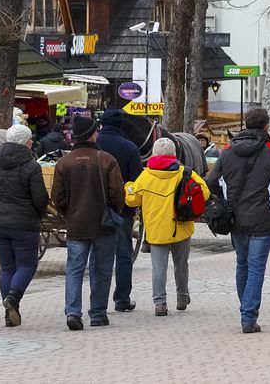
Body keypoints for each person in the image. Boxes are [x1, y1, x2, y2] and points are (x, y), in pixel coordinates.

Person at [205, 107, 270, 334]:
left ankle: (245, 310)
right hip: (263, 218)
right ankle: (248, 316)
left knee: (242, 264)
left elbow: (211, 181)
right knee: (256, 267)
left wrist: (223, 202)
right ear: (267, 126)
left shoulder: (227, 153)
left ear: (246, 125)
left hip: (236, 219)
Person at [51, 115, 126, 331]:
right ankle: (98, 313)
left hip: (76, 223)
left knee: (74, 269)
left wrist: (70, 212)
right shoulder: (106, 159)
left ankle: (73, 311)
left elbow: (58, 196)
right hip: (103, 224)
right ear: (93, 134)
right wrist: (112, 210)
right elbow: (117, 193)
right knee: (102, 270)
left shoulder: (63, 162)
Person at [125, 136, 211, 316]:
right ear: (174, 154)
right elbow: (205, 193)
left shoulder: (146, 176)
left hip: (157, 229)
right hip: (181, 227)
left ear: (154, 154)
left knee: (159, 268)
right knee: (181, 265)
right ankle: (182, 297)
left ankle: (160, 303)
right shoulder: (186, 172)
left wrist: (129, 186)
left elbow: (132, 200)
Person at [0, 124, 47, 328]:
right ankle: (13, 298)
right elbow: (39, 198)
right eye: (30, 140)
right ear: (25, 142)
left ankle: (10, 315)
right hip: (24, 225)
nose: (31, 143)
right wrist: (41, 213)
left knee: (7, 267)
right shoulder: (32, 165)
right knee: (27, 265)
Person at [96, 108, 144, 313]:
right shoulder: (130, 147)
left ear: (101, 124)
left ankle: (96, 301)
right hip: (121, 210)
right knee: (123, 254)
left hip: (92, 207)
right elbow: (137, 180)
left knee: (95, 256)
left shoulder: (92, 145)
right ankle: (122, 298)